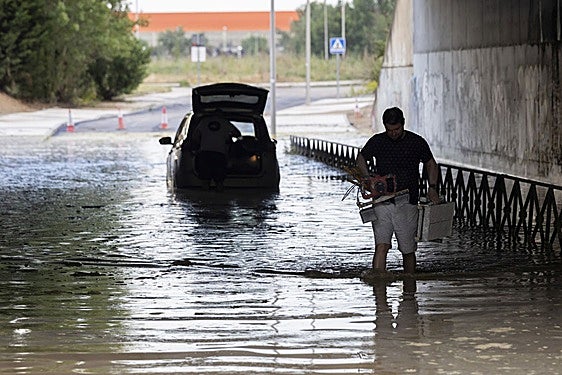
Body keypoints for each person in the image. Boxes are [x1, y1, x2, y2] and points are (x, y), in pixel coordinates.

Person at [356, 107, 440, 274]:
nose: (393, 133)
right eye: (389, 130)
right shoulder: (378, 141)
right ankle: (379, 291)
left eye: (396, 129)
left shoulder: (416, 142)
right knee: (382, 245)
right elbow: (361, 158)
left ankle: (409, 290)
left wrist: (432, 188)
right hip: (382, 201)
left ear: (403, 123)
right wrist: (366, 180)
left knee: (408, 249)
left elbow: (430, 163)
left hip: (407, 202)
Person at [192, 116, 241, 190]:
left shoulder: (204, 121)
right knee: (219, 180)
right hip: (220, 154)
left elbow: (195, 136)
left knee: (205, 180)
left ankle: (204, 198)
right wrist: (228, 135)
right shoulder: (225, 122)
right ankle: (219, 198)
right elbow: (238, 134)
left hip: (205, 154)